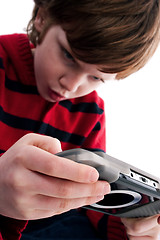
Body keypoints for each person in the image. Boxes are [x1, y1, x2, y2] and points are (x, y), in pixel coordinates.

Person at [0, 0, 160, 239]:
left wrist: (135, 231)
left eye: (96, 78)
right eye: (68, 55)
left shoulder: (90, 112)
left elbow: (94, 206)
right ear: (42, 17)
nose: (71, 85)